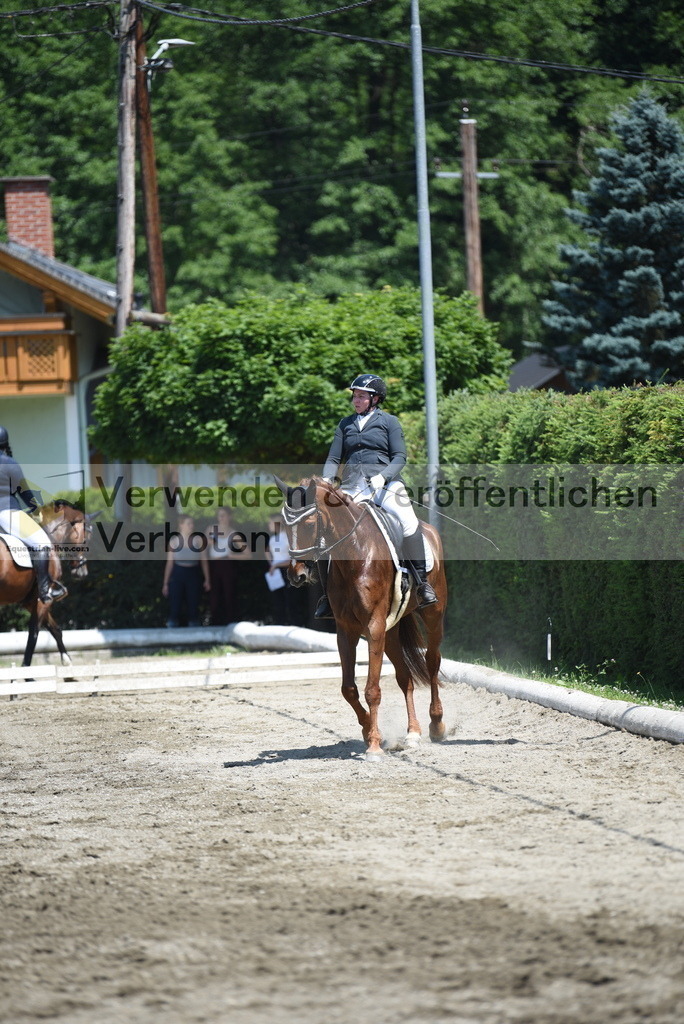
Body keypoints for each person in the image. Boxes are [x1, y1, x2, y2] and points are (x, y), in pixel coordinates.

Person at [317, 373, 438, 617]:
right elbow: (333, 458)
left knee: (409, 523)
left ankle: (422, 584)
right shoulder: (345, 424)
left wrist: (384, 476)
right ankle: (326, 596)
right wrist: (328, 479)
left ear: (375, 399)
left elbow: (400, 457)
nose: (356, 400)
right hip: (352, 487)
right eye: (355, 396)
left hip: (386, 484)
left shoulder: (389, 422)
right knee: (323, 535)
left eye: (361, 396)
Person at [0, 425, 65, 604]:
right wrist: (37, 511)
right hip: (7, 513)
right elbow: (25, 493)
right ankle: (45, 590)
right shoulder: (9, 464)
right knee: (43, 544)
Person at [162, 515, 210, 627]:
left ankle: (194, 625)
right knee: (175, 602)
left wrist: (207, 579)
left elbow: (204, 560)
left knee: (193, 602)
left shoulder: (198, 540)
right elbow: (169, 563)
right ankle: (172, 625)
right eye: (188, 523)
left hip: (193, 573)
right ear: (181, 525)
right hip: (178, 573)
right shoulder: (174, 542)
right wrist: (165, 583)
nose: (191, 526)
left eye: (192, 523)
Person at [205, 507, 242, 625]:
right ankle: (215, 622)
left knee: (228, 593)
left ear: (229, 517)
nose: (220, 518)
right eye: (219, 515)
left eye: (223, 515)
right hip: (213, 565)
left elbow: (248, 554)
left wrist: (232, 556)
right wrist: (209, 542)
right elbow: (201, 546)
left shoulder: (233, 533)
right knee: (214, 595)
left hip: (227, 564)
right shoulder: (211, 529)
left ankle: (230, 622)